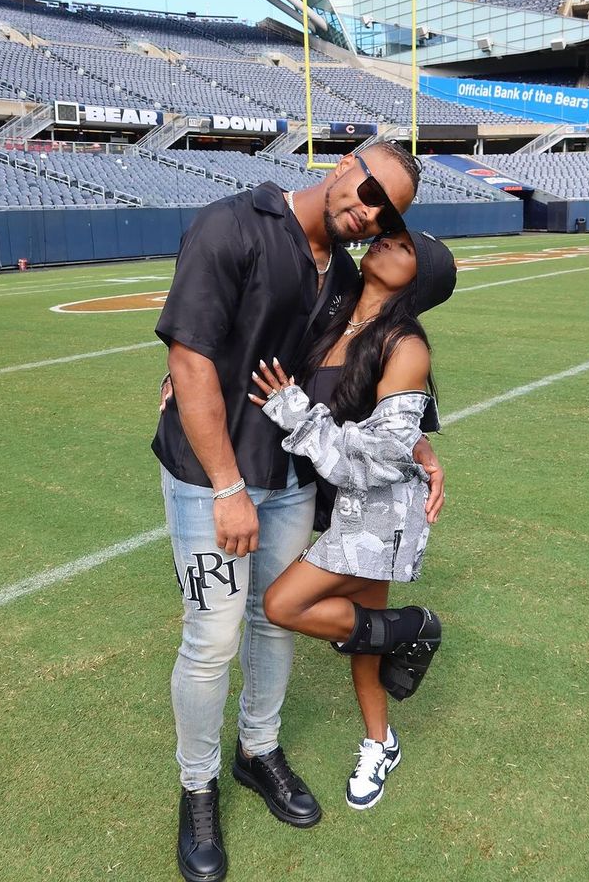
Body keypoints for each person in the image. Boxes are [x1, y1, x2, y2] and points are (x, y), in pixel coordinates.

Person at [152, 145, 446, 882]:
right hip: (209, 475)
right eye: (370, 189)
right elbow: (193, 358)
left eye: (390, 212)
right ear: (346, 163)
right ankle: (198, 789)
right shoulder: (231, 225)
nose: (371, 212)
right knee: (212, 637)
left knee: (268, 624)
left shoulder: (347, 273)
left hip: (289, 479)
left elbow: (368, 367)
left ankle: (258, 750)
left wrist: (423, 446)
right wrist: (225, 485)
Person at [249, 229, 456, 811]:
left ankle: (415, 626)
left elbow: (386, 455)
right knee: (363, 634)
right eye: (386, 237)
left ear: (419, 280)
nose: (385, 243)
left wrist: (293, 412)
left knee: (283, 604)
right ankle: (380, 740)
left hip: (378, 515)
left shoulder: (406, 344)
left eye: (403, 247)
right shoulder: (336, 308)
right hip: (338, 499)